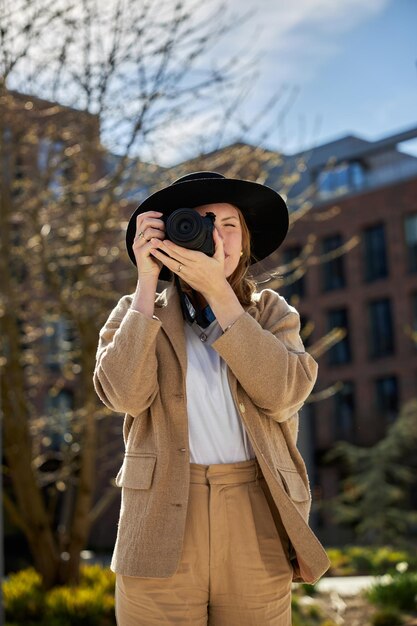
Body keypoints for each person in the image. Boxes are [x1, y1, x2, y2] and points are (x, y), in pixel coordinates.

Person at [93, 171, 330, 626]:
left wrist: (219, 293)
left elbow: (283, 395)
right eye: (200, 222)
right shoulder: (137, 312)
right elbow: (123, 395)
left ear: (244, 244)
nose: (215, 235)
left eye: (228, 225)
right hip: (160, 512)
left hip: (255, 510)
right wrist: (147, 282)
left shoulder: (272, 312)